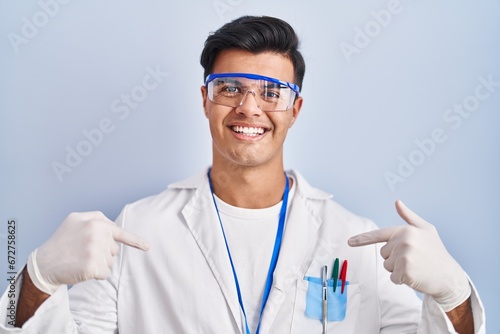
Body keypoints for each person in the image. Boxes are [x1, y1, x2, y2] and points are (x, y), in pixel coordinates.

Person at [0, 15, 485, 333]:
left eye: (271, 92)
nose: (249, 107)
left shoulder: (355, 239)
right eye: (229, 87)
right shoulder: (136, 229)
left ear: (295, 109)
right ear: (205, 100)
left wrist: (453, 295)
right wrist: (36, 280)